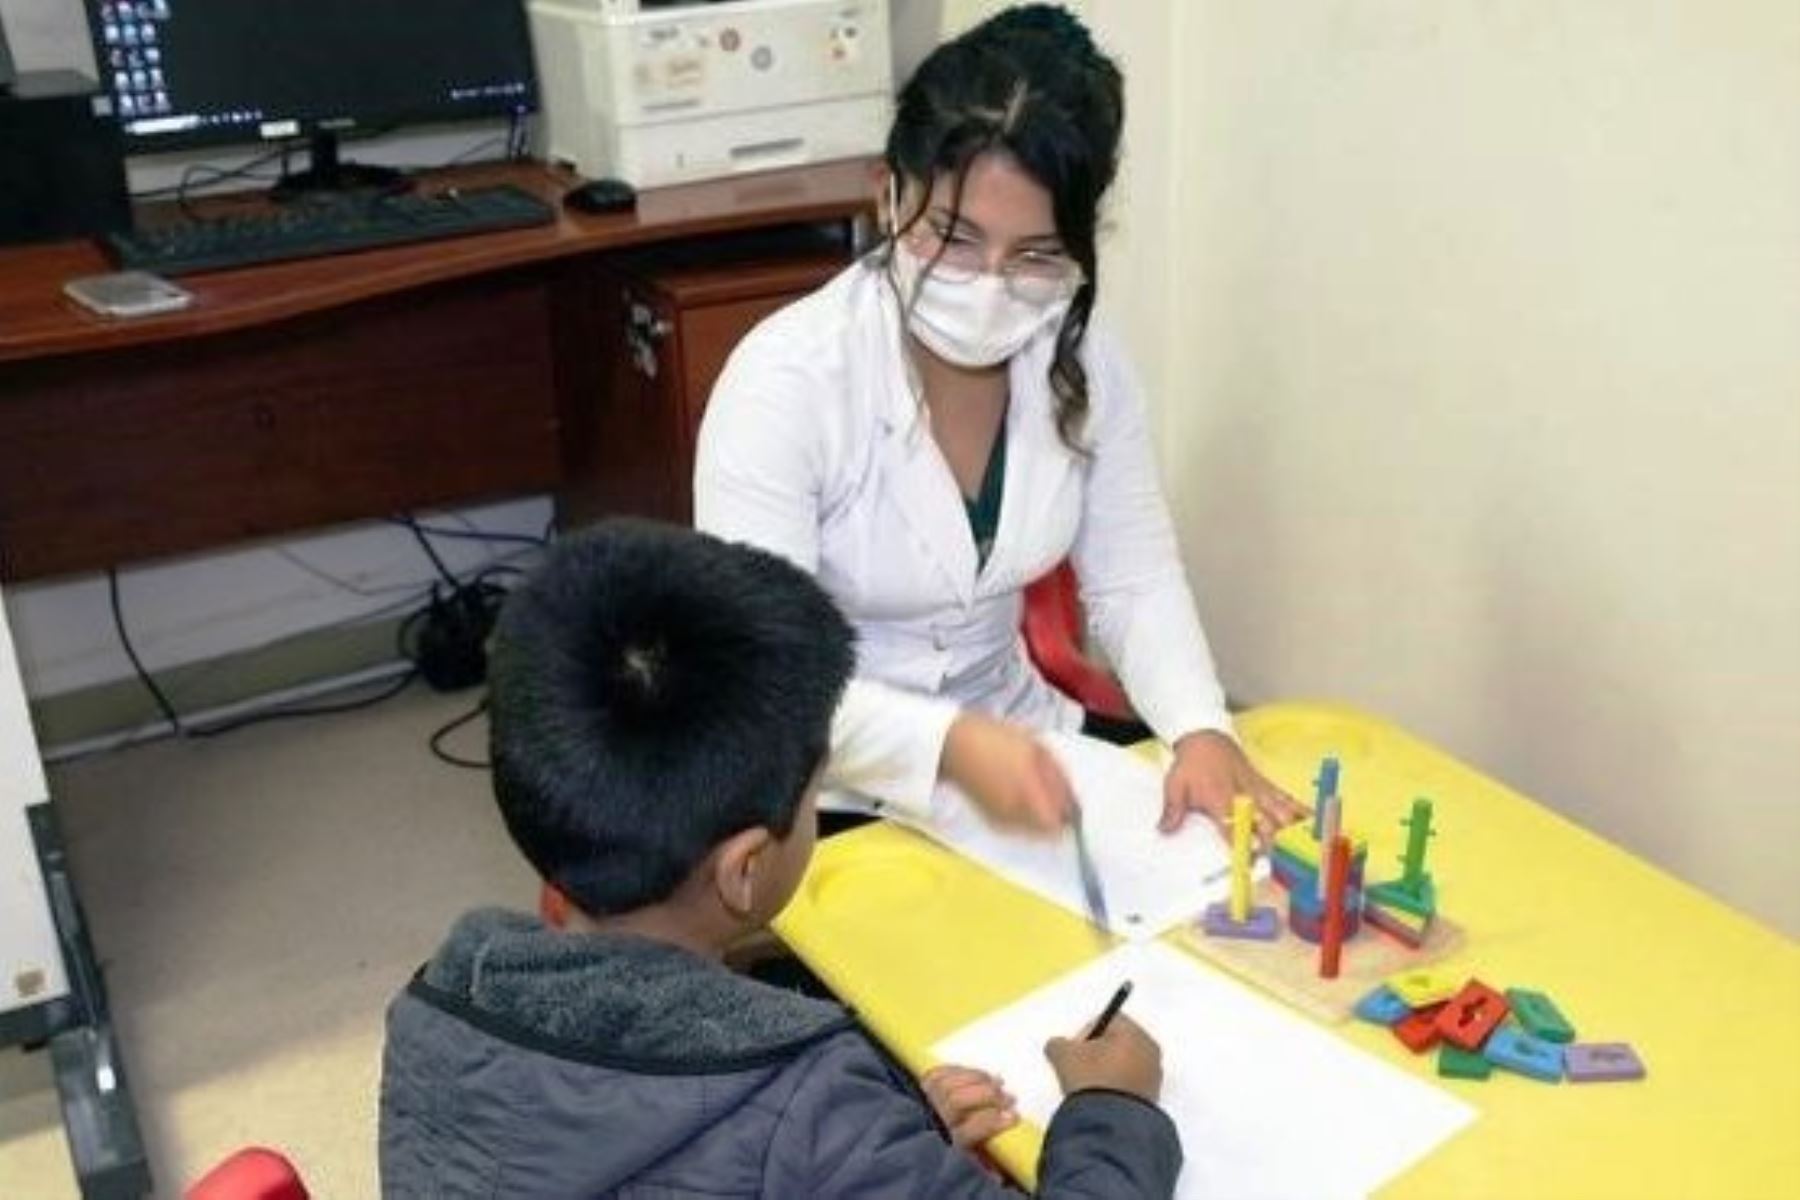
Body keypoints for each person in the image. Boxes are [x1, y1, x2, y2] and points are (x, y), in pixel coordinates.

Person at [378, 520, 1183, 1197]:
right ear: (745, 870)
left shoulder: (435, 1006)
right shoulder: (811, 1109)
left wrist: (892, 1143)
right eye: (814, 789)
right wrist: (1113, 1112)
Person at [695, 6, 1304, 846]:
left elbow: (1132, 578)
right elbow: (764, 676)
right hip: (822, 789)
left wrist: (1200, 727)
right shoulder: (786, 384)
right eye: (952, 235)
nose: (987, 286)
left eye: (1035, 255)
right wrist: (949, 748)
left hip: (1029, 751)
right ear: (888, 192)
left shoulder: (1084, 363)